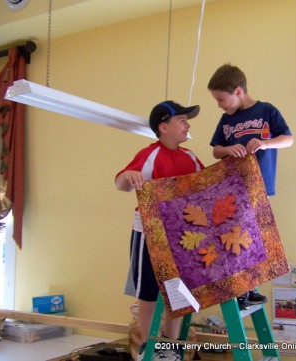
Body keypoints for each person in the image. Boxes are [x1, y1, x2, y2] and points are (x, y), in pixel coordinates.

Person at [115, 100, 204, 361]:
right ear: (164, 127)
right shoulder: (150, 155)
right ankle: (145, 344)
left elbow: (206, 185)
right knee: (148, 291)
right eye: (183, 121)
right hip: (149, 232)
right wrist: (129, 175)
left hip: (181, 234)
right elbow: (120, 183)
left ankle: (171, 345)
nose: (188, 125)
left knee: (179, 289)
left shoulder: (190, 157)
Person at [208, 63, 293, 310]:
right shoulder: (226, 120)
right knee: (239, 234)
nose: (220, 105)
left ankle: (249, 287)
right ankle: (243, 287)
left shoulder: (266, 111)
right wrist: (228, 149)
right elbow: (215, 150)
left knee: (254, 234)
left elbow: (288, 139)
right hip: (233, 186)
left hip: (259, 184)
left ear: (237, 91)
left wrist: (265, 143)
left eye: (221, 99)